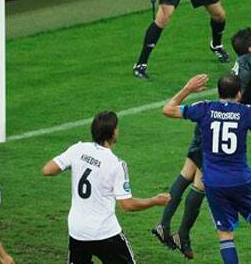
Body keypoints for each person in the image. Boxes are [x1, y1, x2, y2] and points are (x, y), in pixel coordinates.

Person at [151, 0, 251, 259]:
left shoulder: (249, 59)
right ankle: (173, 229)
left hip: (217, 119)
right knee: (195, 178)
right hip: (228, 122)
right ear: (250, 48)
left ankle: (170, 227)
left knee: (192, 175)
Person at [163, 73, 251, 264]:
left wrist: (188, 88)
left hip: (214, 183)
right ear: (239, 93)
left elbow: (168, 109)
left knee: (225, 233)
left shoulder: (204, 109)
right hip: (240, 179)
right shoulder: (245, 112)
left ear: (219, 92)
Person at [42, 111, 170, 264]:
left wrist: (76, 165)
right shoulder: (116, 164)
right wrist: (154, 201)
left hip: (78, 231)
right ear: (113, 132)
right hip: (104, 232)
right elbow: (127, 205)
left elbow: (47, 170)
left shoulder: (78, 149)